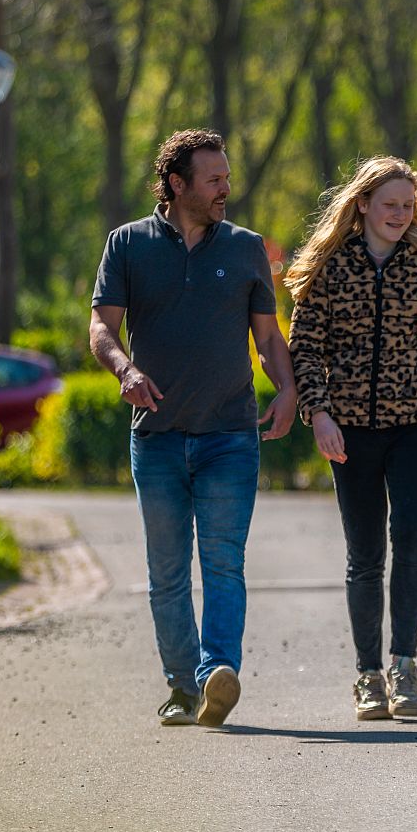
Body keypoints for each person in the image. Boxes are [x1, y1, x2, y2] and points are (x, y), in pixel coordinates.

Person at [89, 128, 296, 728]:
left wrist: (286, 390)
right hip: (155, 441)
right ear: (178, 185)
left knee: (224, 563)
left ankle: (217, 673)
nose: (226, 188)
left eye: (227, 177)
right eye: (214, 179)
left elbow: (267, 337)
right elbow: (101, 328)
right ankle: (183, 687)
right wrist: (124, 369)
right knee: (168, 575)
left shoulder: (246, 247)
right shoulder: (127, 244)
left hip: (230, 436)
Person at [285, 157, 417, 721]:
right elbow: (305, 348)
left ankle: (404, 665)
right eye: (390, 204)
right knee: (364, 553)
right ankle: (367, 673)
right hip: (349, 430)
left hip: (415, 424)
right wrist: (318, 414)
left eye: (408, 206)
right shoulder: (328, 269)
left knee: (412, 539)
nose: (400, 214)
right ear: (363, 204)